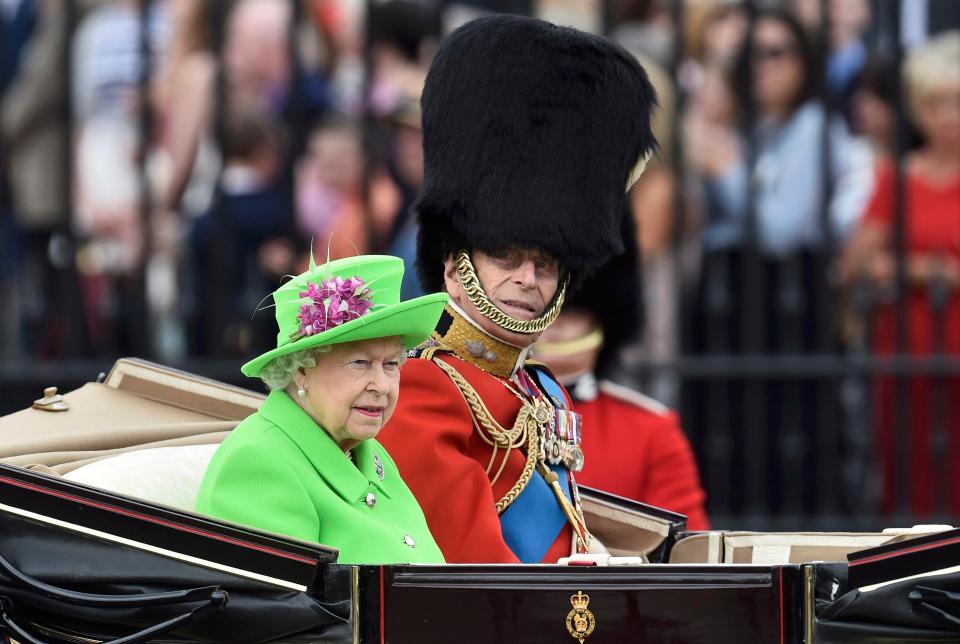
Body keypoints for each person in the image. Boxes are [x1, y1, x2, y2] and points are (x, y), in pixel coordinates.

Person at [377, 15, 657, 564]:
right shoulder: (422, 388)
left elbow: (564, 537)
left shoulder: (541, 391)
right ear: (455, 267)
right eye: (504, 257)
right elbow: (476, 567)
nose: (527, 278)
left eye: (545, 264)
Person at [195, 254, 449, 564]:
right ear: (302, 368)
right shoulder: (259, 462)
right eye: (360, 363)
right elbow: (278, 610)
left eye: (391, 364)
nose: (382, 386)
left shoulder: (370, 453)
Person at [840, 32, 960, 517]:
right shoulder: (897, 177)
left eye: (957, 103)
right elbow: (854, 264)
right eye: (936, 104)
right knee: (908, 476)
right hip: (905, 351)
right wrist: (937, 270)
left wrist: (903, 267)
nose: (949, 117)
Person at [534, 219, 710, 530]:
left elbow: (684, 553)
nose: (555, 324)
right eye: (544, 310)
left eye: (572, 313)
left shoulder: (651, 432)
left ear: (603, 322)